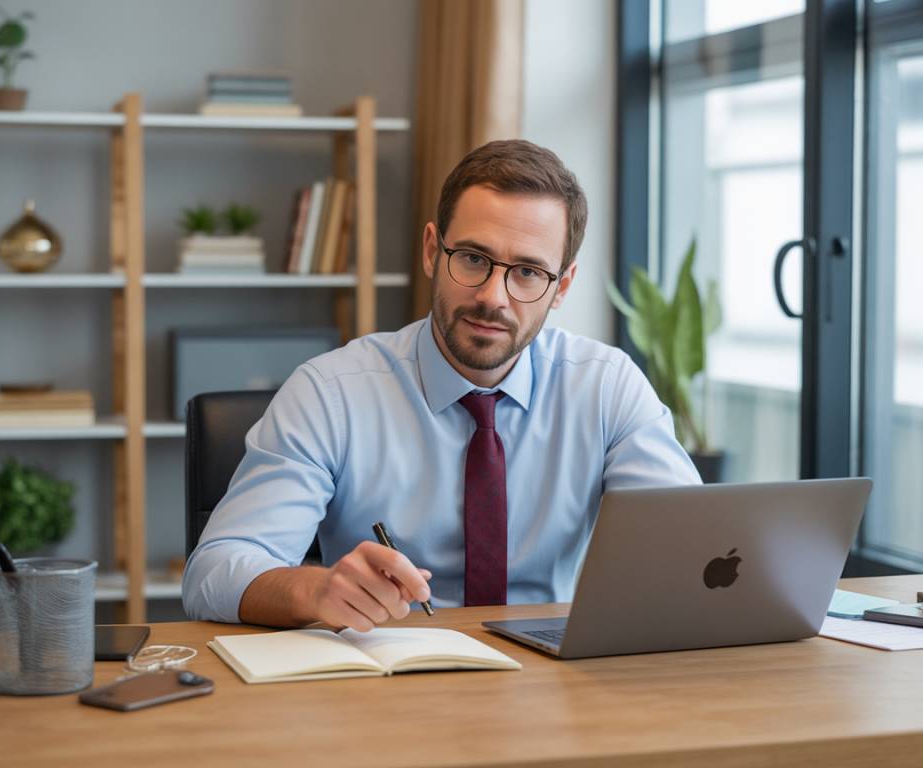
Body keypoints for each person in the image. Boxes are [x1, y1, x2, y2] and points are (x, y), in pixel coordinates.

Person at [182, 139, 701, 629]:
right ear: (433, 251)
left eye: (527, 272)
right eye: (473, 259)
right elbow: (213, 573)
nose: (493, 297)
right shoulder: (330, 393)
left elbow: (691, 553)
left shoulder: (607, 388)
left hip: (553, 671)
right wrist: (316, 591)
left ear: (561, 286)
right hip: (389, 669)